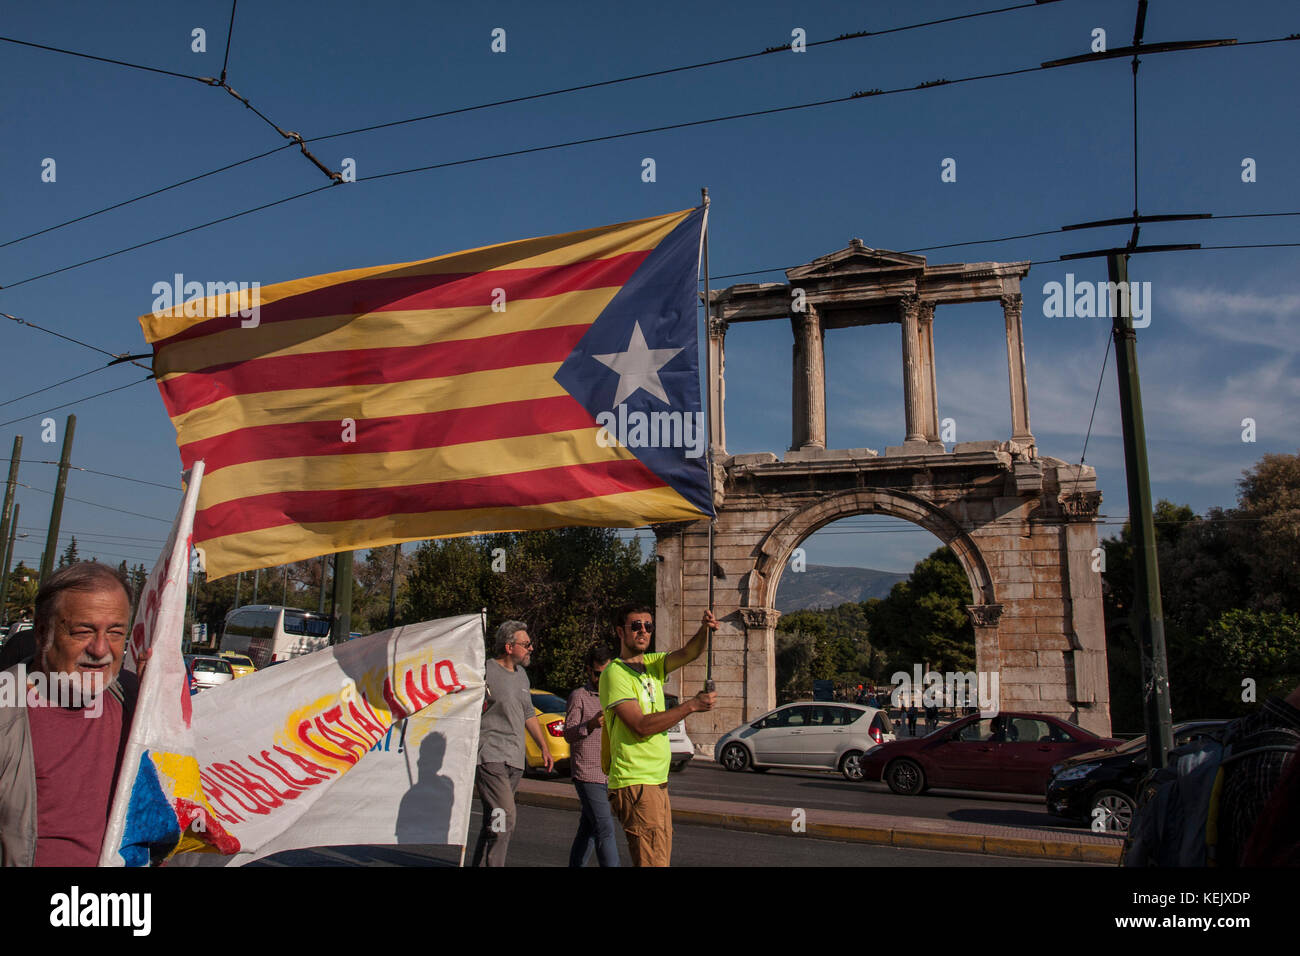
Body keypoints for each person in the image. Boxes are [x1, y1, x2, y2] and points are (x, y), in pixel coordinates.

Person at [0, 562, 137, 866]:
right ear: (41, 633)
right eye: (83, 631)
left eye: (115, 633)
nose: (101, 649)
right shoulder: (5, 712)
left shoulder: (137, 700)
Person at [599, 604, 717, 867]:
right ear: (621, 631)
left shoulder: (653, 665)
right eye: (636, 626)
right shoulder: (615, 674)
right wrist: (691, 706)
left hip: (656, 781)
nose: (643, 631)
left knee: (658, 860)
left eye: (648, 626)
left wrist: (704, 630)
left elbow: (690, 652)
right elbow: (640, 726)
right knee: (653, 862)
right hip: (636, 782)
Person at [471, 620, 553, 867]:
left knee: (493, 819)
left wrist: (543, 746)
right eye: (526, 644)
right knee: (505, 816)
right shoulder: (484, 671)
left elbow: (529, 714)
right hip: (490, 756)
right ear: (509, 647)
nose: (531, 648)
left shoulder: (522, 676)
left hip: (514, 760)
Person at [563, 644, 619, 867]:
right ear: (589, 670)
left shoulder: (615, 696)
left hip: (609, 773)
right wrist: (591, 724)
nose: (601, 678)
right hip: (587, 773)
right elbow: (568, 733)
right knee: (605, 828)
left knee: (589, 830)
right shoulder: (579, 696)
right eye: (597, 674)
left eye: (606, 673)